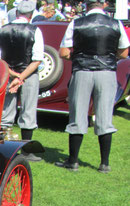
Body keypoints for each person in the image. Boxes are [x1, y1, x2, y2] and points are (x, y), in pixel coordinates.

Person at [56, 0, 129, 173]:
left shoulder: (76, 23)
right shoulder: (115, 23)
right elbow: (124, 52)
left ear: (86, 6)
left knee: (77, 115)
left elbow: (64, 52)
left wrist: (79, 56)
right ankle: (104, 163)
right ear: (103, 5)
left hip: (82, 70)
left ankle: (73, 161)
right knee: (105, 116)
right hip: (106, 71)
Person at [0, 0, 44, 162]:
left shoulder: (2, 30)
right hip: (29, 75)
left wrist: (13, 75)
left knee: (6, 112)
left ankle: (4, 149)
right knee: (28, 110)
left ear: (16, 13)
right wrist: (21, 77)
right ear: (30, 15)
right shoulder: (35, 31)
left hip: (8, 73)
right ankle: (27, 151)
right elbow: (37, 59)